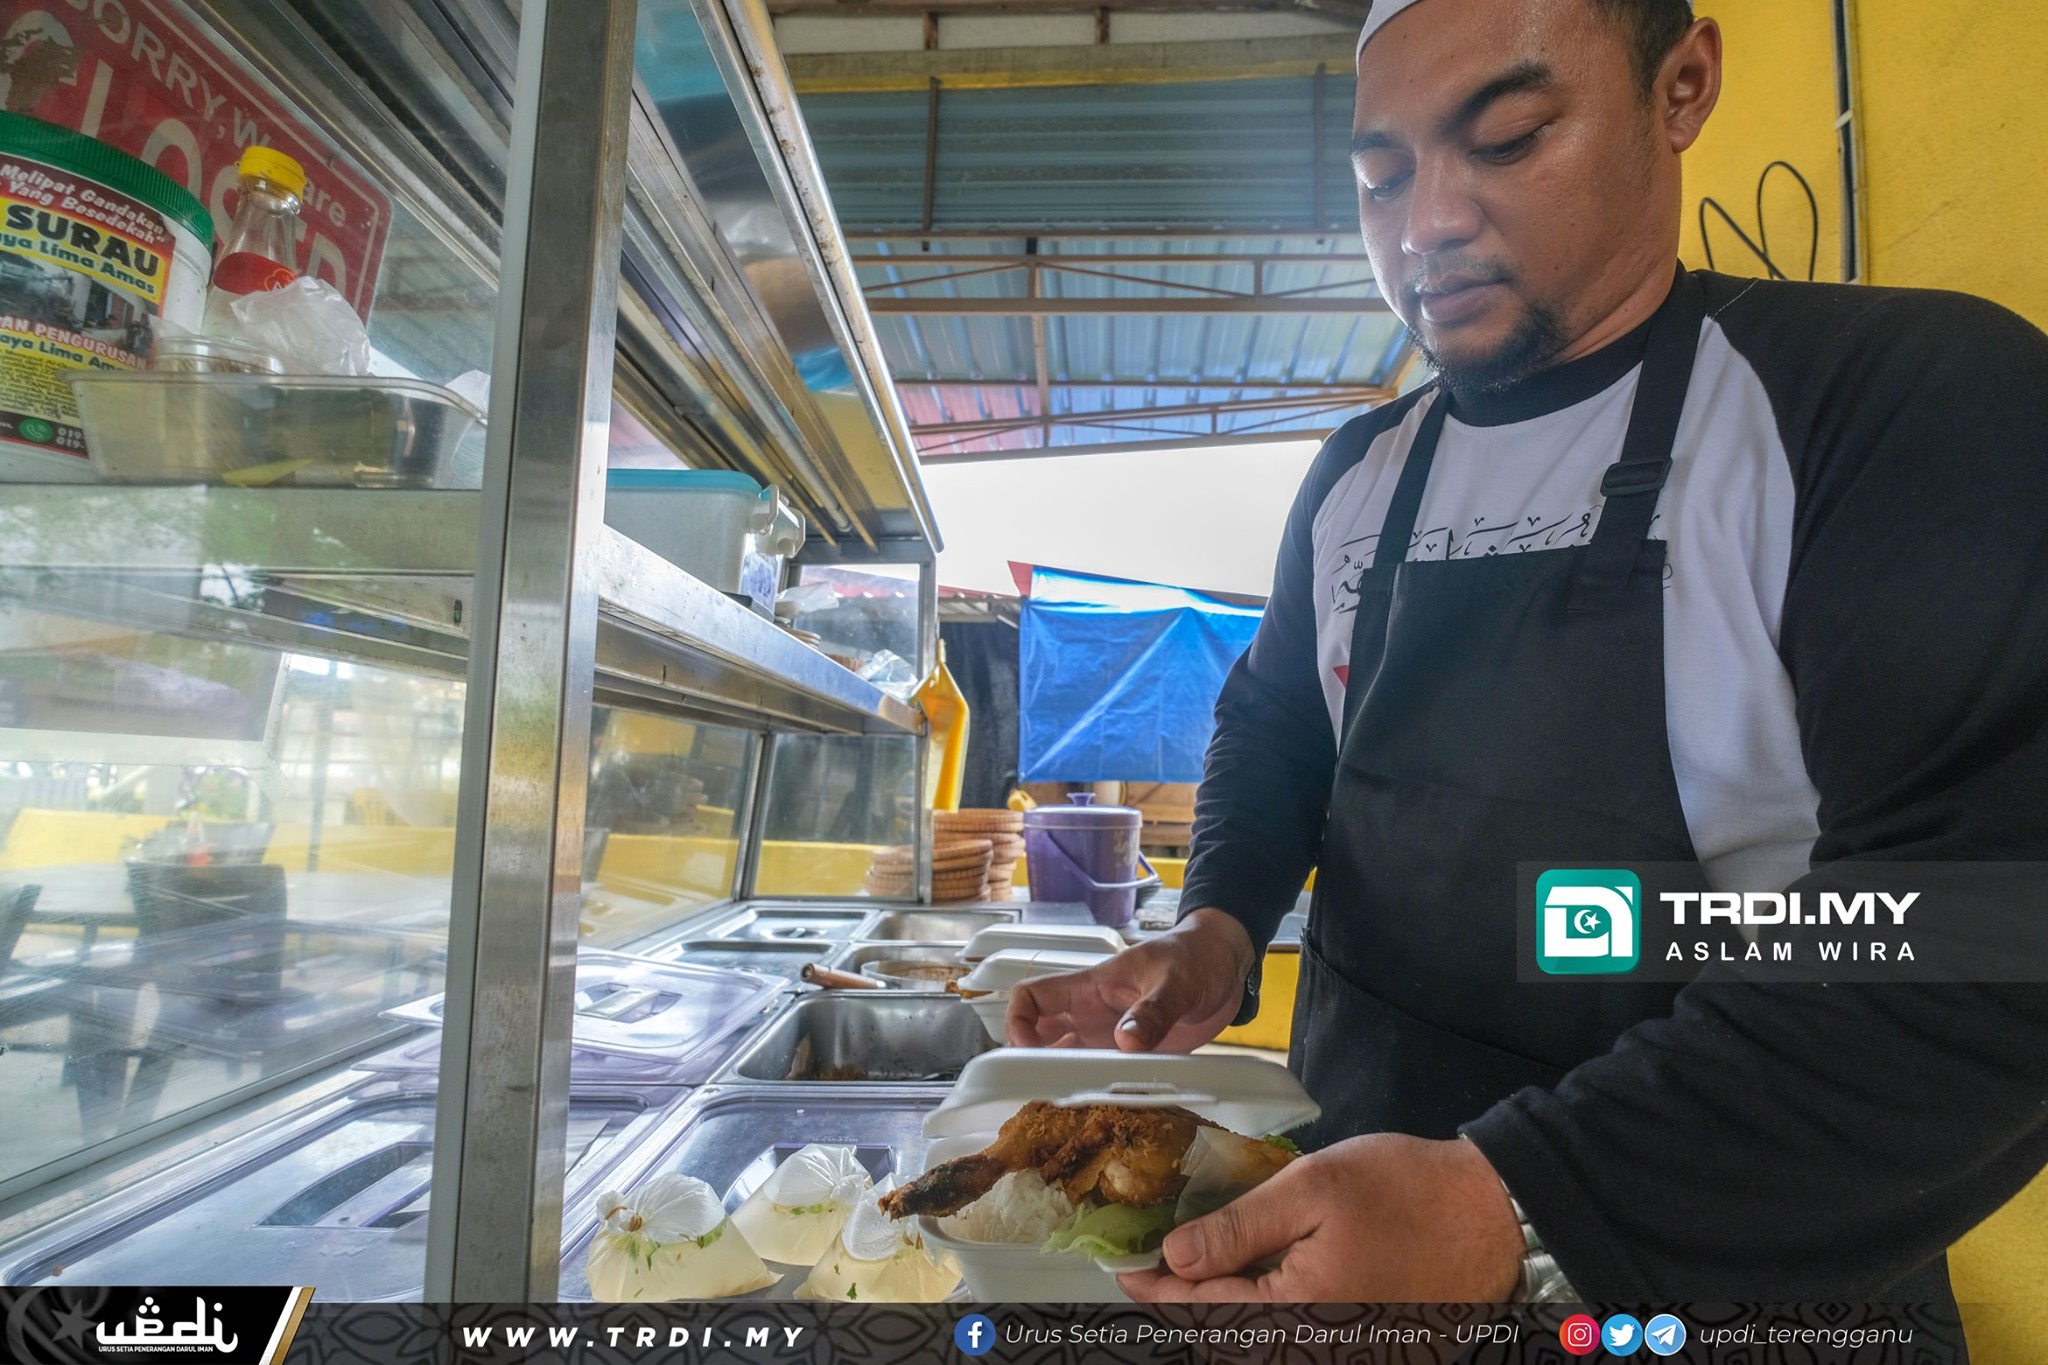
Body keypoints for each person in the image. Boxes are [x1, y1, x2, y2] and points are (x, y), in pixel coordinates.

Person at [1008, 0, 2048, 1306]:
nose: (1425, 224)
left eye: (1505, 138)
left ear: (1681, 86)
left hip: (1729, 1275)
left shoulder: (1895, 406)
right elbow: (1274, 729)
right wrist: (1216, 928)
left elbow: (1984, 929)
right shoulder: (1356, 475)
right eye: (1381, 177)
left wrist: (1520, 1207)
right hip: (1338, 1246)